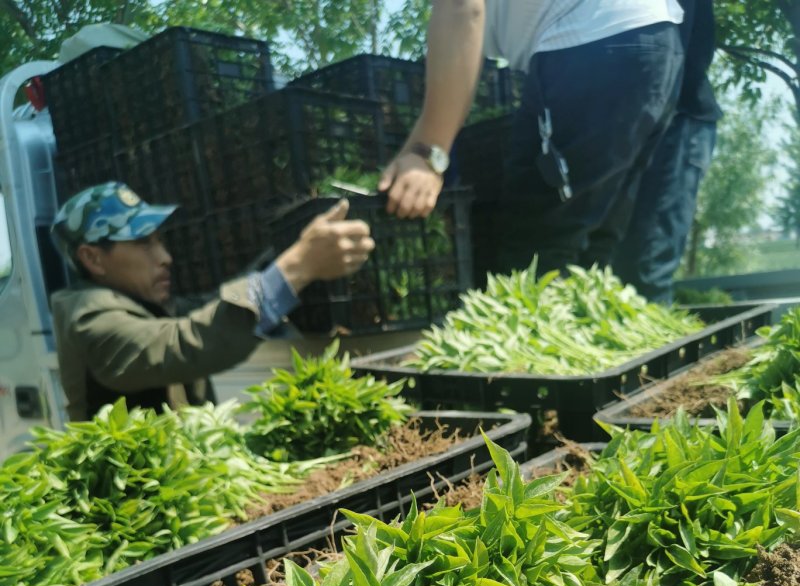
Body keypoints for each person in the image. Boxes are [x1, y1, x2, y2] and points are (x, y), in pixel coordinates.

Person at [379, 0, 686, 277]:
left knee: (535, 256)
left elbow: (461, 7)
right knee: (593, 254)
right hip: (655, 44)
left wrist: (427, 154)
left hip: (591, 44)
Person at [50, 182, 375, 421]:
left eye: (160, 241)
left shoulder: (140, 303)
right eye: (143, 243)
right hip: (135, 504)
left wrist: (289, 252)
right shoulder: (89, 319)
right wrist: (297, 267)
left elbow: (206, 308)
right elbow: (185, 341)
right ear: (93, 258)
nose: (165, 257)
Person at [613, 0, 721, 303]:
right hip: (645, 122)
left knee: (646, 266)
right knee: (621, 266)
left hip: (678, 117)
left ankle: (654, 347)